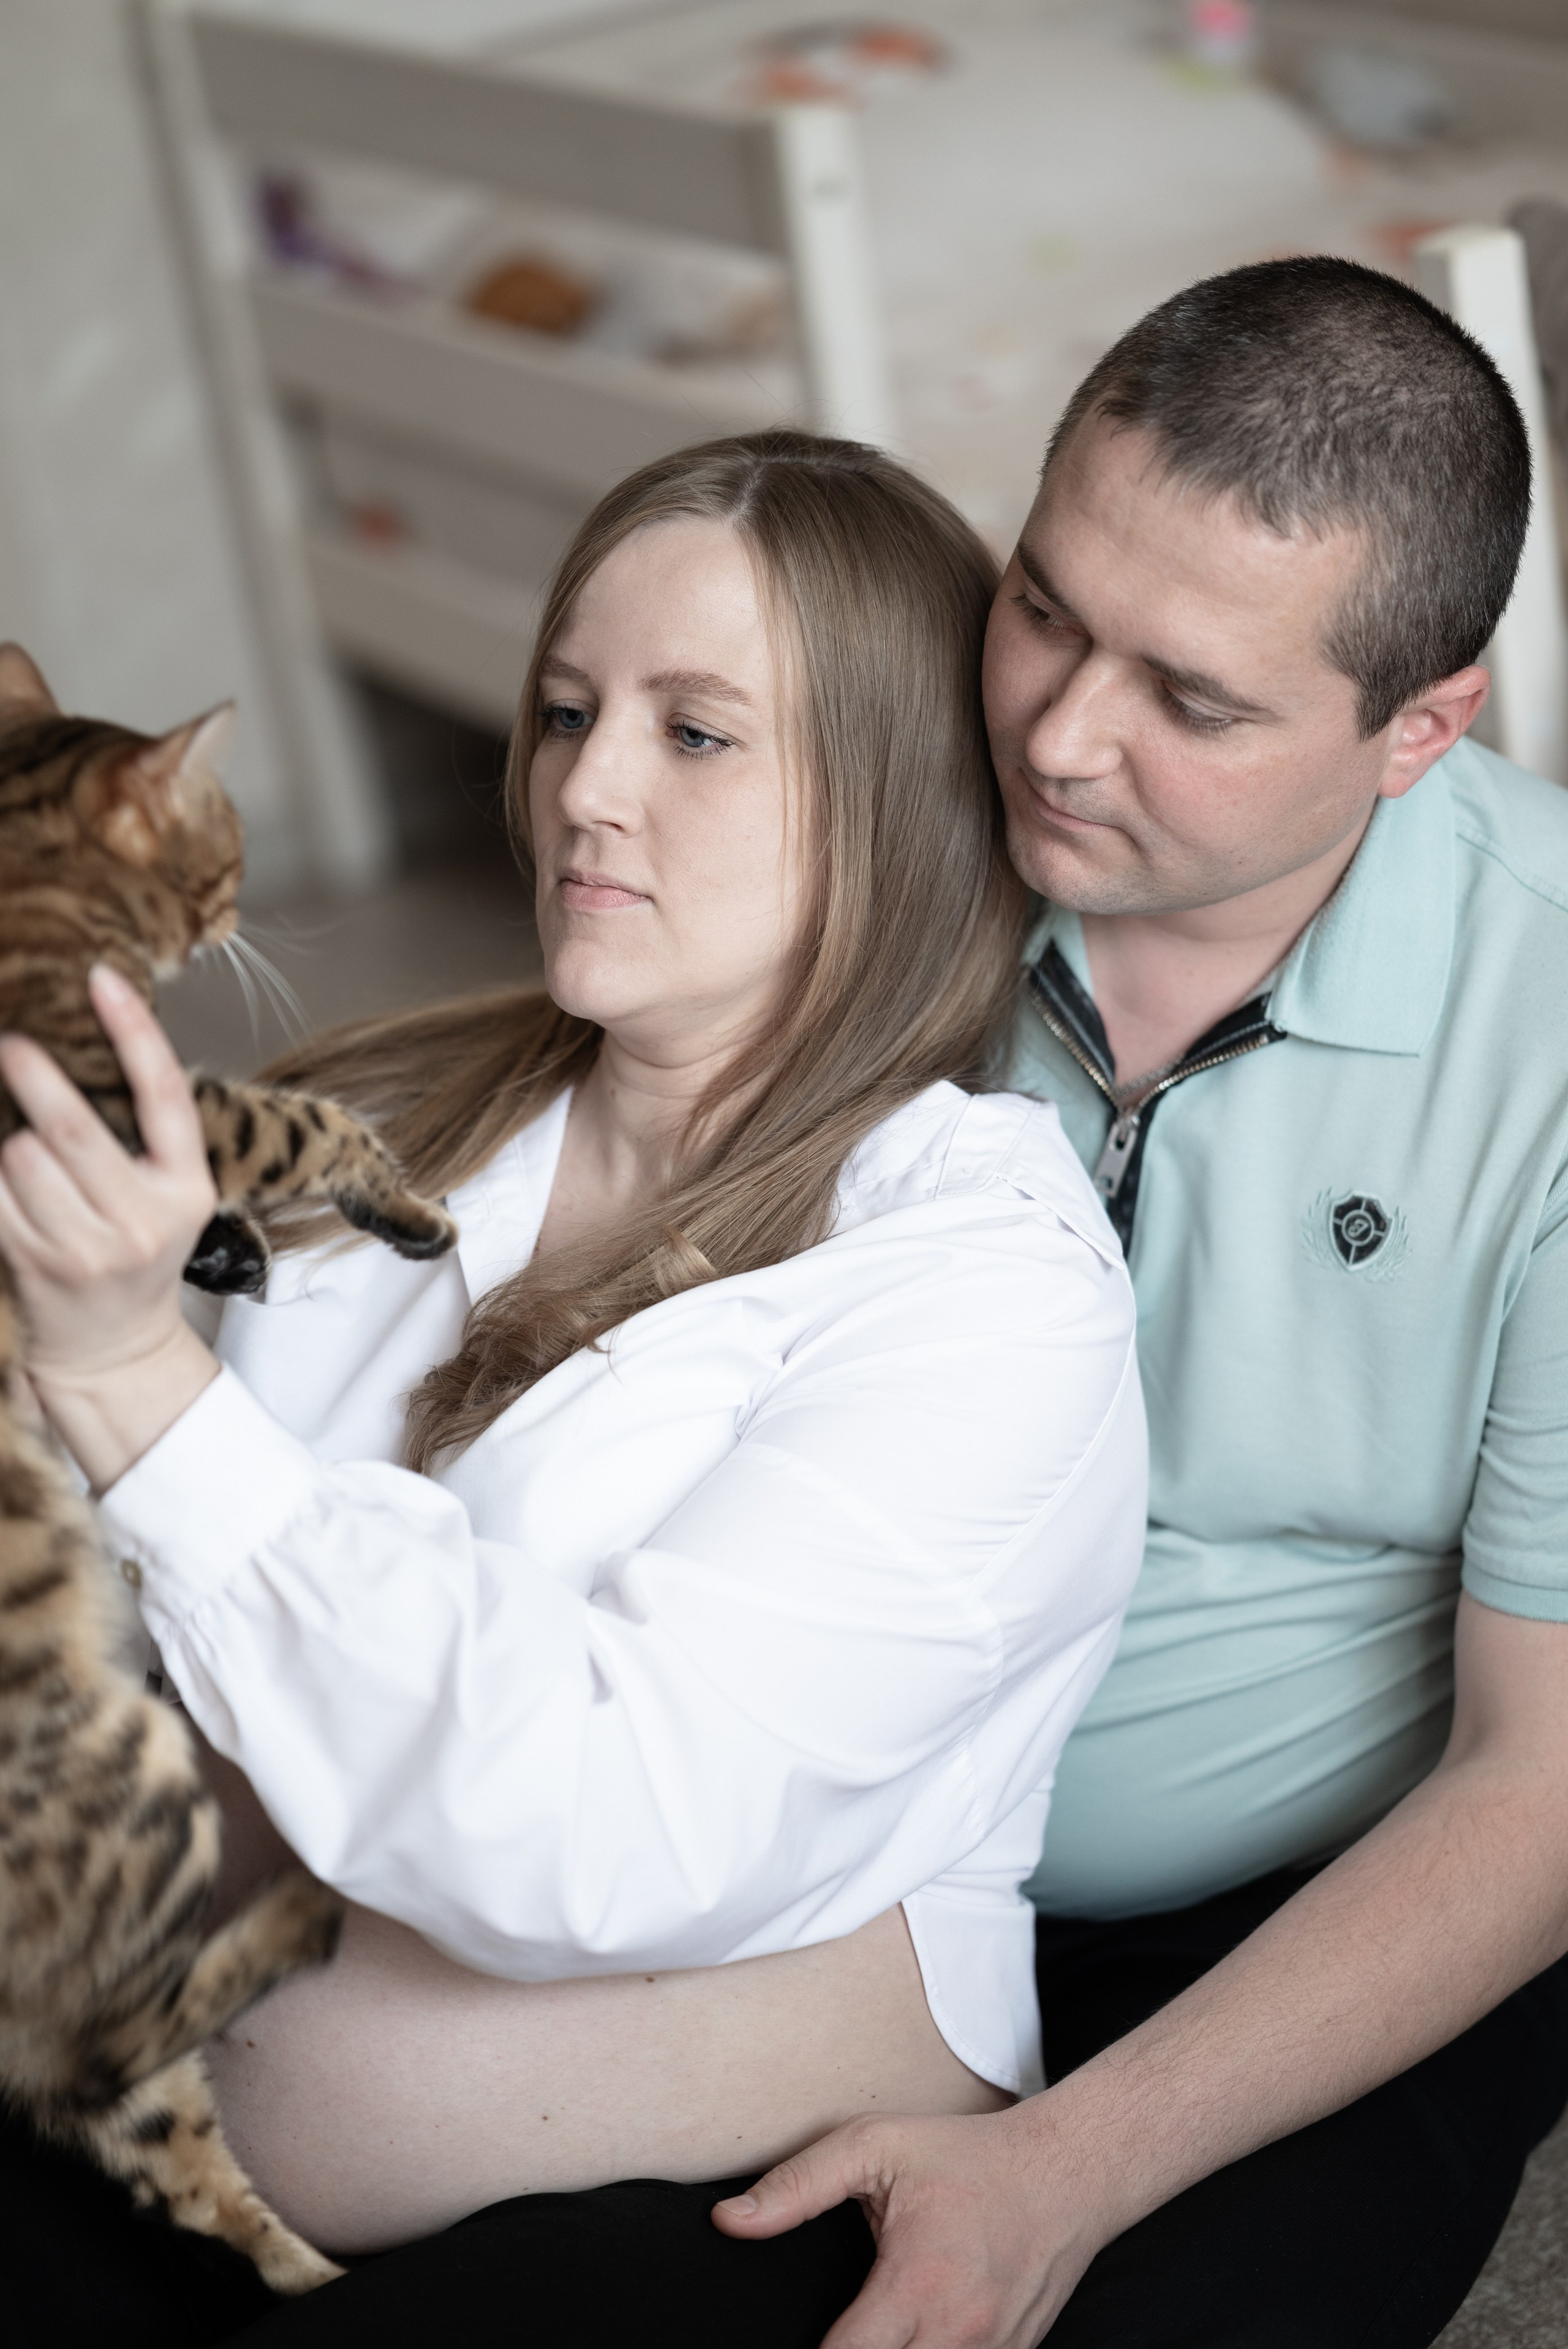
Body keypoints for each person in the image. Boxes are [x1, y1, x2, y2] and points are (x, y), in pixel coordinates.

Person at [0, 432, 1146, 2348]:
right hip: (137, 2089)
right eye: (564, 709)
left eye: (697, 734)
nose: (583, 790)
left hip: (647, 2220)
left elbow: (601, 1828)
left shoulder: (981, 1291)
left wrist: (127, 1375)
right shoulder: (391, 1119)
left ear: (887, 797)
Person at [718, 256, 1568, 2347]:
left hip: (1296, 1917)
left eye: (1190, 699)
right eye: (1039, 606)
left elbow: (1543, 1783)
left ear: (1419, 728)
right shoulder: (886, 812)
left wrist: (1068, 2166)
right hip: (797, 1817)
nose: (1059, 734)